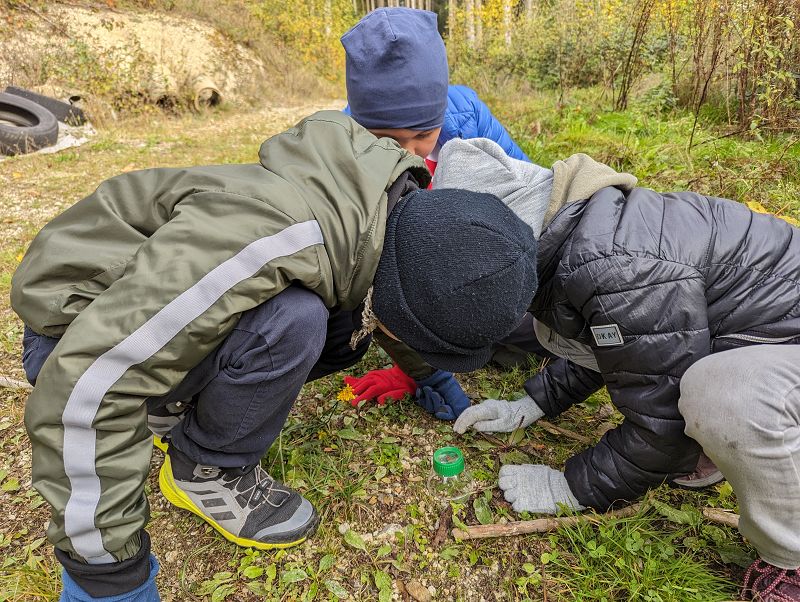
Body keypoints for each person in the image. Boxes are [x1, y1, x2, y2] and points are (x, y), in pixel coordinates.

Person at [12, 110, 539, 601]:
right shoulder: (264, 242)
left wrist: (434, 380)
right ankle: (203, 469)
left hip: (147, 317)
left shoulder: (377, 205)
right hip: (72, 331)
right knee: (297, 320)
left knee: (335, 327)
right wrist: (108, 578)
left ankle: (178, 401)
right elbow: (86, 387)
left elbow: (393, 293)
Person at [373, 136, 800, 601]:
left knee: (721, 396)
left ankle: (790, 560)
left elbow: (664, 421)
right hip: (767, 336)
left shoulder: (617, 267)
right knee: (559, 337)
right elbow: (623, 348)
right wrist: (532, 403)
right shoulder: (572, 229)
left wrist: (572, 488)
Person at [339, 7, 553, 420]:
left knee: (533, 333)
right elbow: (369, 279)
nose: (410, 153)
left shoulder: (466, 115)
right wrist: (426, 374)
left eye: (423, 134)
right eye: (388, 140)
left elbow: (531, 199)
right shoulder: (342, 152)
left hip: (477, 266)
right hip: (414, 283)